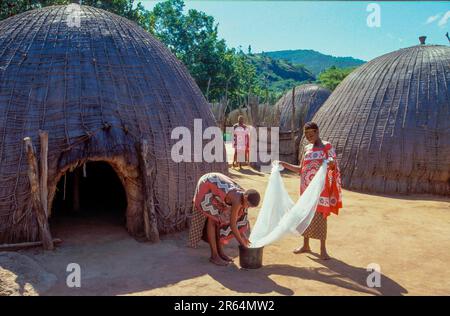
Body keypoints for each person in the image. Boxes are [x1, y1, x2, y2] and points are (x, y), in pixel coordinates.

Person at [279, 122, 342, 260]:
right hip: (306, 189)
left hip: (320, 190)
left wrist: (330, 163)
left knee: (320, 217)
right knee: (305, 215)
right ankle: (305, 245)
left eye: (311, 134)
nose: (309, 137)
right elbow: (301, 169)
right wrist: (284, 164)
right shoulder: (307, 148)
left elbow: (333, 165)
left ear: (317, 132)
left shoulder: (327, 146)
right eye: (306, 135)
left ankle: (322, 250)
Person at [188, 172, 261, 266]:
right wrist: (242, 244)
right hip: (206, 185)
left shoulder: (244, 197)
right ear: (245, 197)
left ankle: (220, 253)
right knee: (213, 220)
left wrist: (244, 236)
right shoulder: (237, 199)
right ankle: (214, 256)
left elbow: (238, 219)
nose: (248, 207)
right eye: (248, 205)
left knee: (220, 221)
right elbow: (233, 224)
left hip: (215, 186)